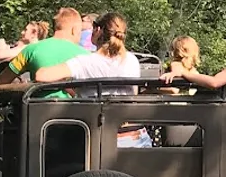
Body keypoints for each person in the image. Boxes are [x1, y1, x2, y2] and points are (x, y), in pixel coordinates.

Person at [35, 12, 147, 144]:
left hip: (97, 141)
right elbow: (133, 94)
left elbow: (41, 75)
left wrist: (65, 81)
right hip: (137, 139)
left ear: (98, 30)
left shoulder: (84, 62)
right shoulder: (132, 61)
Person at [0, 8, 87, 84]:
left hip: (36, 101)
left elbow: (2, 81)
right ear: (75, 30)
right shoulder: (86, 56)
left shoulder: (30, 50)